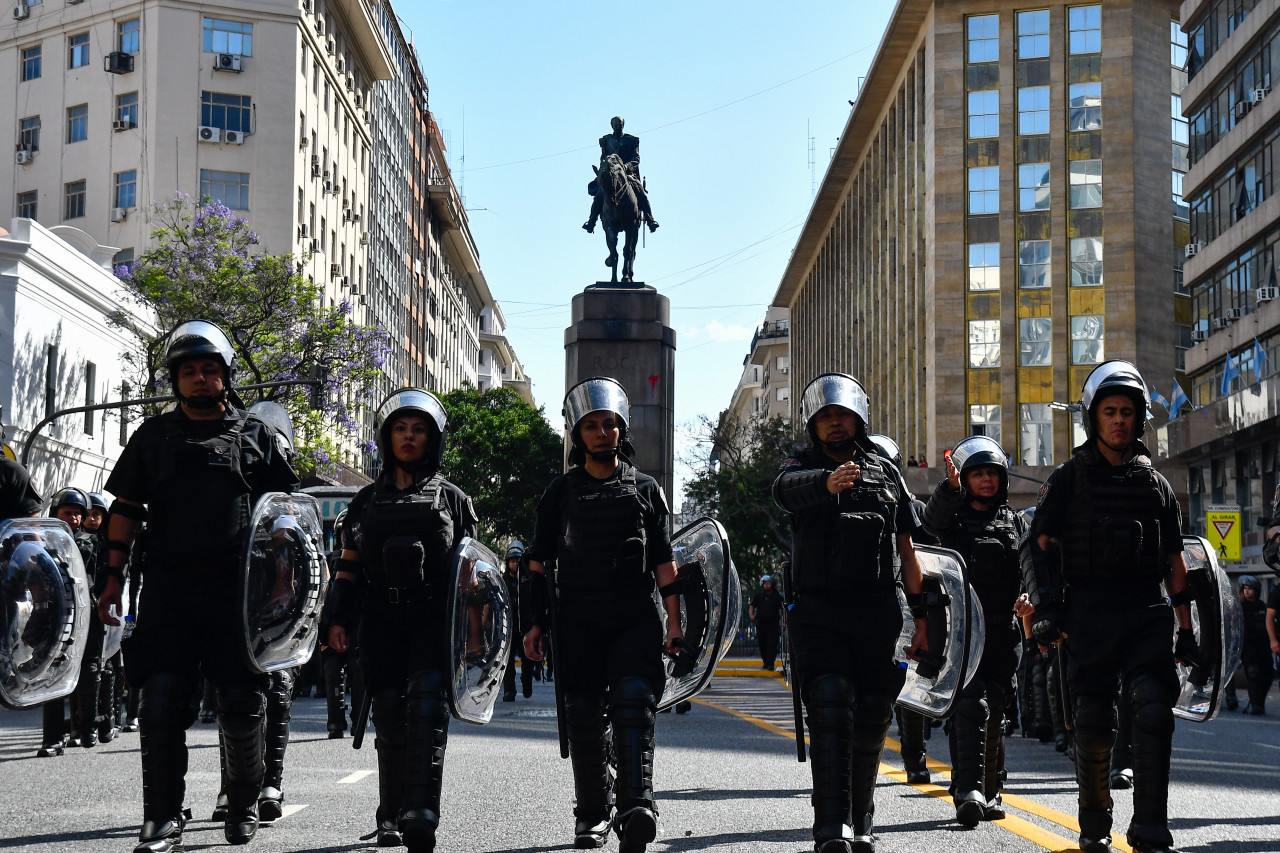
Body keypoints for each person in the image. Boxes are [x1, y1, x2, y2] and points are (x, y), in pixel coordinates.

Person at [96, 320, 299, 853]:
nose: (200, 378)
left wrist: (283, 590)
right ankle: (161, 818)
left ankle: (241, 800)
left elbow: (284, 520)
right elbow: (126, 510)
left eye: (210, 369)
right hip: (167, 590)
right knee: (160, 702)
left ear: (225, 377)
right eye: (189, 370)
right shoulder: (151, 437)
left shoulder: (257, 437)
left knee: (240, 703)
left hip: (238, 594)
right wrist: (111, 580)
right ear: (176, 379)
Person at [1021, 360, 1199, 853]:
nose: (1120, 420)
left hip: (1145, 611)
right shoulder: (1067, 480)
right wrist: (1047, 609)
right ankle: (1095, 824)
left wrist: (1186, 630)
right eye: (1110, 411)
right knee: (1095, 724)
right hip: (1088, 614)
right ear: (1093, 418)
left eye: (1128, 412)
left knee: (1154, 710)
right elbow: (1038, 546)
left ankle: (1150, 825)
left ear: (1140, 418)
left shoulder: (1157, 486)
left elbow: (1174, 561)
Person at [522, 377, 683, 852]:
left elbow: (664, 561)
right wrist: (534, 623)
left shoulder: (646, 490)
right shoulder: (560, 493)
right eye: (591, 426)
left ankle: (636, 806)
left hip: (634, 615)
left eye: (609, 424)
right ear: (577, 434)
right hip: (577, 620)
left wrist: (675, 624)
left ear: (621, 430)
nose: (601, 433)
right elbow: (537, 561)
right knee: (584, 716)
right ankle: (591, 814)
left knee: (635, 703)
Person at [772, 372, 928, 853]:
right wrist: (825, 482)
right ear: (813, 425)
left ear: (858, 418)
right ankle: (830, 825)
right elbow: (783, 489)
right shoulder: (800, 467)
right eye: (825, 416)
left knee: (874, 715)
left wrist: (923, 618)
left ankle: (862, 818)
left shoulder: (885, 471)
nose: (835, 423)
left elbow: (908, 550)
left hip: (877, 611)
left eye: (842, 414)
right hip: (818, 613)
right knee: (831, 705)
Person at [324, 388, 478, 852]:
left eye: (418, 431)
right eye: (400, 429)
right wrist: (337, 618)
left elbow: (470, 572)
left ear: (432, 440)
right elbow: (348, 566)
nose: (409, 438)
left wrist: (472, 635)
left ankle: (421, 814)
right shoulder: (365, 502)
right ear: (387, 437)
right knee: (389, 716)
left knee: (427, 713)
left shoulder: (454, 500)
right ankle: (389, 812)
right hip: (382, 619)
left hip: (433, 619)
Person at [921, 438, 1025, 826]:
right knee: (969, 706)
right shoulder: (952, 519)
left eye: (991, 473)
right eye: (977, 473)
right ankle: (968, 790)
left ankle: (992, 789)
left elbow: (1030, 566)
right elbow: (928, 526)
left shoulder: (1015, 523)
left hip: (1004, 633)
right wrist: (948, 489)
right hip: (963, 631)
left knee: (997, 713)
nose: (985, 480)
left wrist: (1030, 596)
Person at [36, 487, 96, 757]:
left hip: (84, 616)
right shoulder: (43, 542)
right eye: (67, 512)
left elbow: (91, 582)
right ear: (56, 513)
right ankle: (52, 738)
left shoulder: (90, 543)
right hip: (54, 615)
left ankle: (84, 727)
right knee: (53, 674)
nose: (72, 518)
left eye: (77, 514)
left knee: (87, 673)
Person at [583, 116, 659, 234]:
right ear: (612, 126)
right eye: (616, 125)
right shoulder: (606, 140)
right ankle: (591, 222)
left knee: (640, 192)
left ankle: (650, 219)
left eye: (620, 125)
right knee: (599, 194)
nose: (618, 127)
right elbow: (603, 158)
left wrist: (626, 166)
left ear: (623, 125)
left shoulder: (631, 140)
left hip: (628, 174)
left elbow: (636, 158)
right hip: (610, 174)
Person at [502, 540, 534, 701]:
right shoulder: (502, 582)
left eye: (517, 561)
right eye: (512, 561)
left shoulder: (529, 581)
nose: (514, 564)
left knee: (527, 660)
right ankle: (509, 690)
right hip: (508, 627)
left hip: (525, 627)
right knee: (507, 662)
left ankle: (527, 682)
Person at [1235, 575, 1272, 714]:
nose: (1247, 591)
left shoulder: (1263, 606)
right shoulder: (1240, 607)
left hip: (1263, 645)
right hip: (1248, 645)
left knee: (1267, 675)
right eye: (1245, 589)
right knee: (1253, 673)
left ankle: (1260, 701)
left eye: (1250, 589)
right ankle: (1256, 705)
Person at [750, 574, 785, 671]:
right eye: (764, 584)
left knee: (772, 644)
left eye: (768, 583)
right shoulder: (759, 595)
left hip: (773, 624)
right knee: (762, 643)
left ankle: (770, 664)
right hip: (761, 623)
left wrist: (784, 622)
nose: (766, 585)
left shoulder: (777, 596)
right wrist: (752, 615)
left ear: (772, 584)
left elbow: (783, 610)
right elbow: (752, 605)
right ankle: (765, 662)